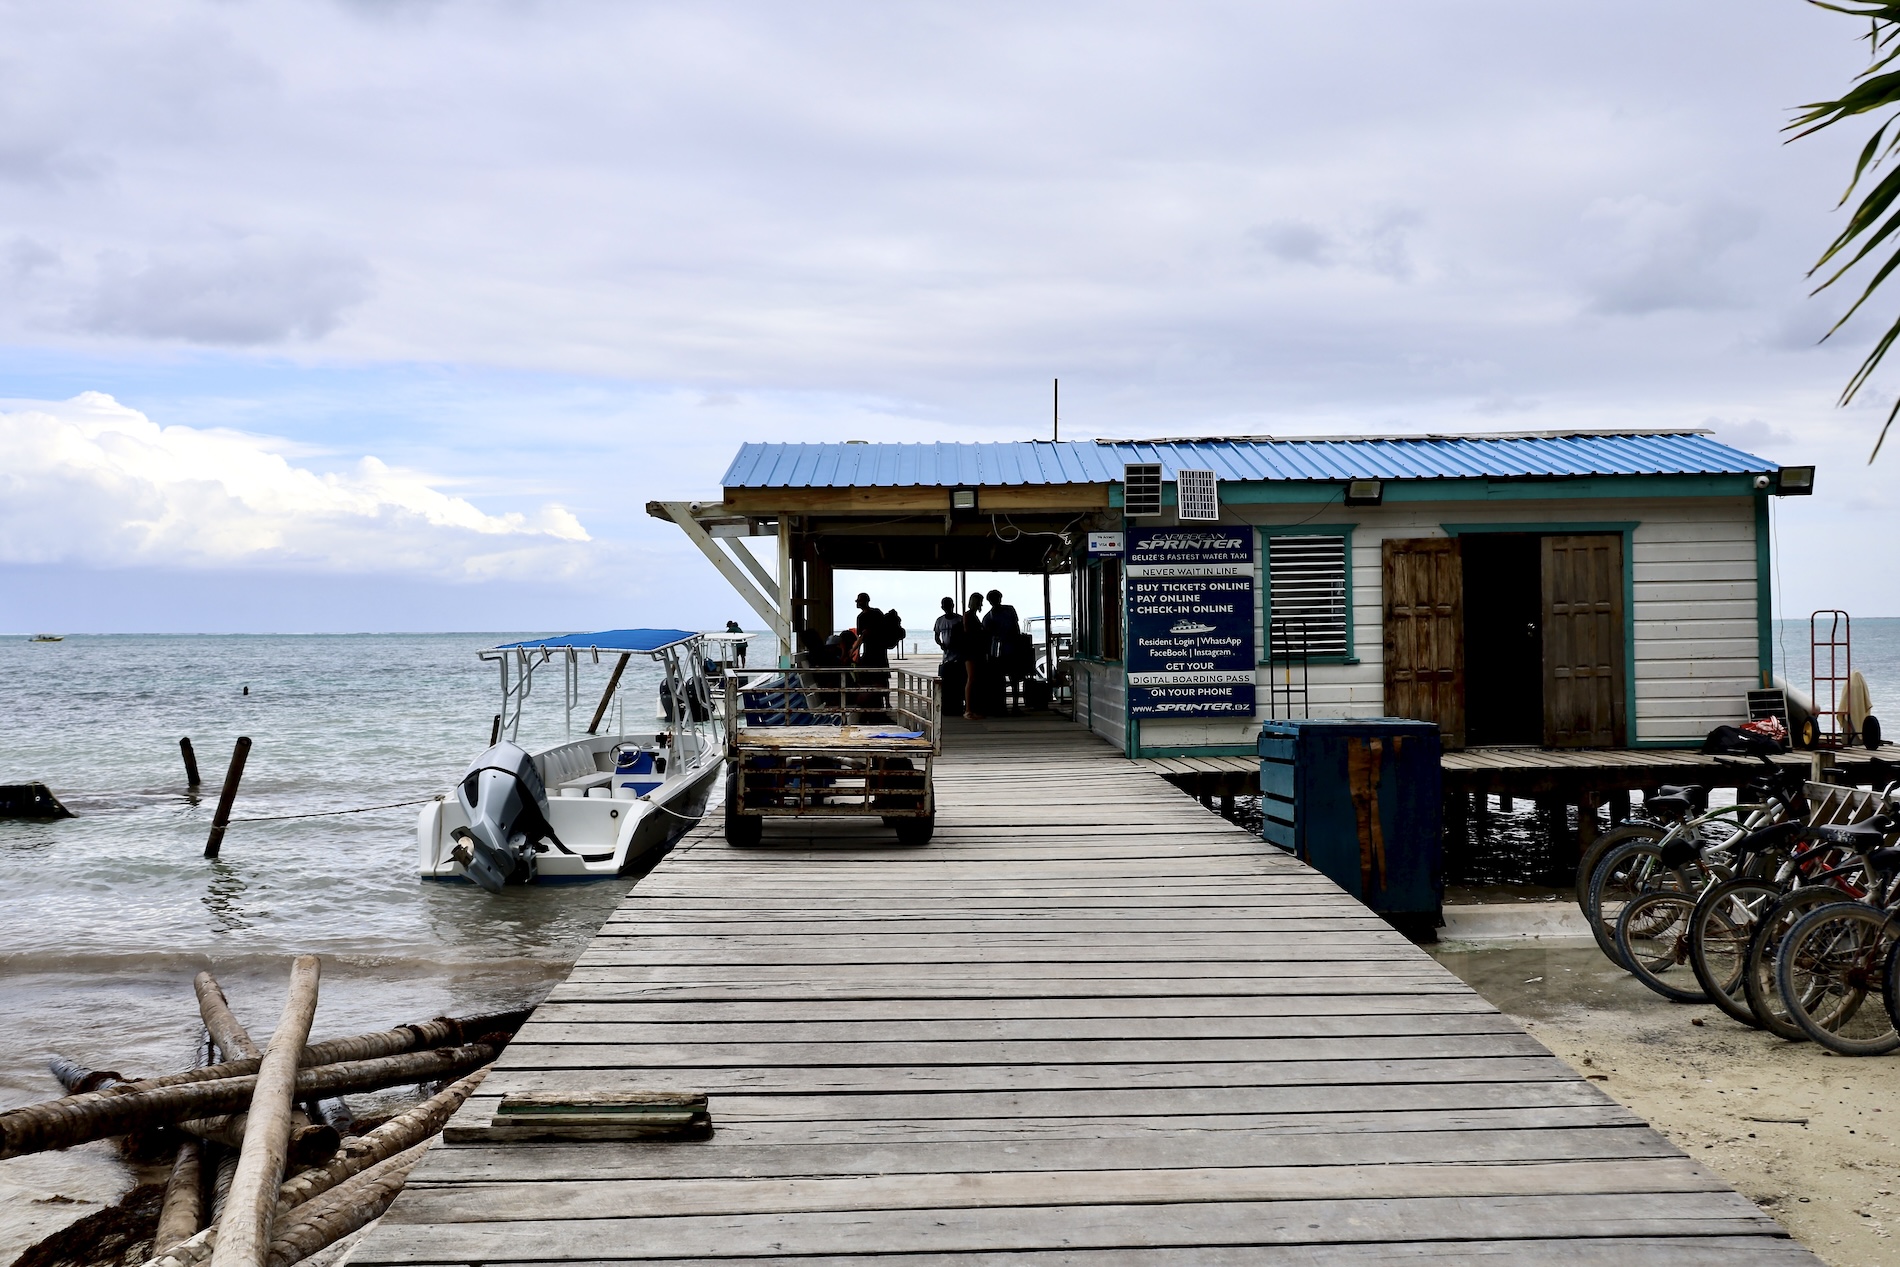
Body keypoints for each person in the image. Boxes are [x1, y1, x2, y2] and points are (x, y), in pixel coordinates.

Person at [983, 589, 1022, 714]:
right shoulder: (1006, 611)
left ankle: (1006, 706)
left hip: (1003, 650)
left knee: (1005, 679)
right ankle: (1011, 705)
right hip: (1005, 650)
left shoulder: (989, 616)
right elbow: (1016, 628)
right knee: (1009, 679)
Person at [932, 596, 965, 715]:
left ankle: (959, 703)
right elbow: (936, 635)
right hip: (946, 654)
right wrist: (941, 644)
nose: (947, 608)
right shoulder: (940, 620)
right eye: (945, 606)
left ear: (953, 606)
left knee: (959, 680)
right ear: (942, 607)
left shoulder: (960, 619)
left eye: (949, 605)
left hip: (959, 654)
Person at [961, 592, 987, 721]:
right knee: (971, 679)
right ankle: (968, 710)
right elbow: (968, 632)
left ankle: (972, 709)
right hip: (970, 651)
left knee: (974, 679)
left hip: (974, 650)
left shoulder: (972, 616)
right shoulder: (968, 615)